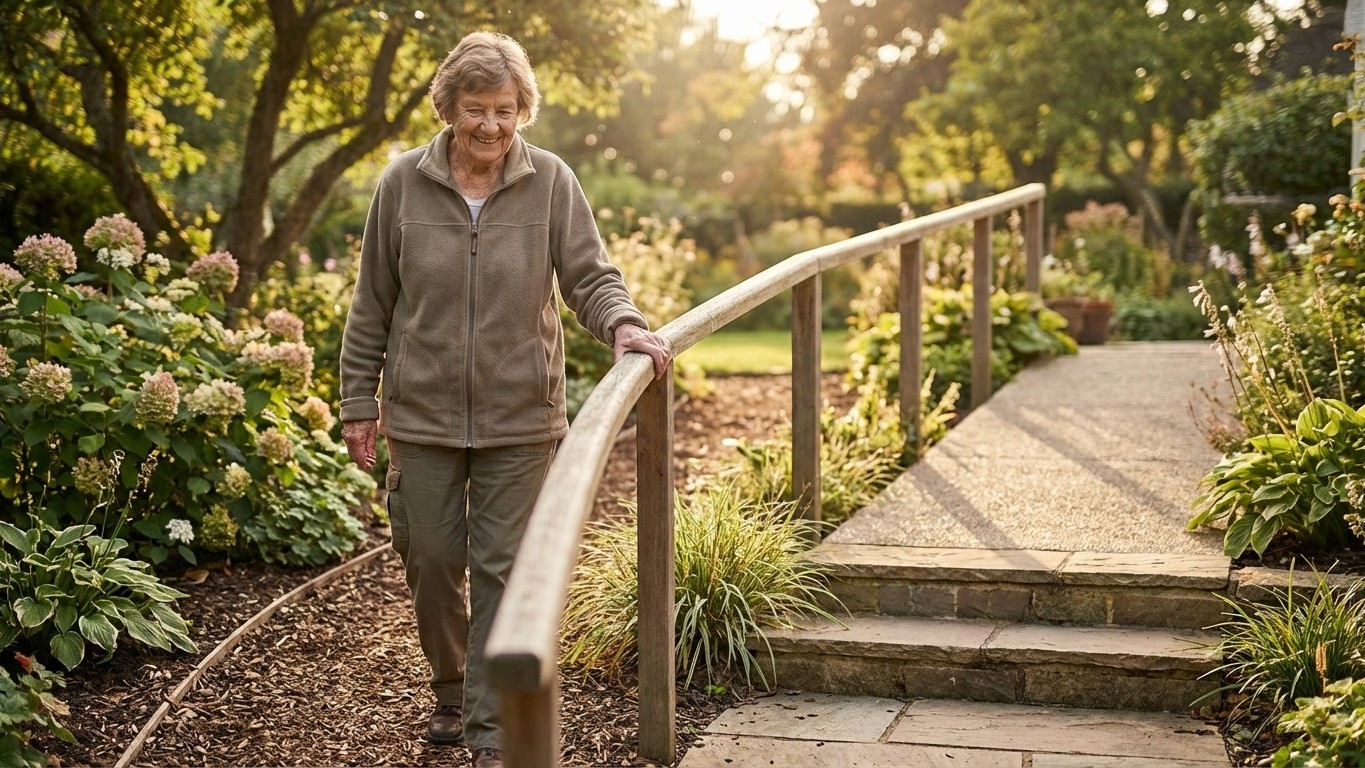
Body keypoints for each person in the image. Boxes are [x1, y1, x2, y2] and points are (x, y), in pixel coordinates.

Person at [338, 31, 670, 768]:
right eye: (475, 109)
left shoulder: (550, 181)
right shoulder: (401, 184)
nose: (490, 125)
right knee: (427, 557)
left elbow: (588, 275)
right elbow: (372, 303)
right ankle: (451, 685)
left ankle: (488, 732)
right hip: (420, 414)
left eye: (505, 110)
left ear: (523, 110)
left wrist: (622, 325)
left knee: (499, 569)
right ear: (449, 109)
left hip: (520, 418)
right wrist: (358, 400)